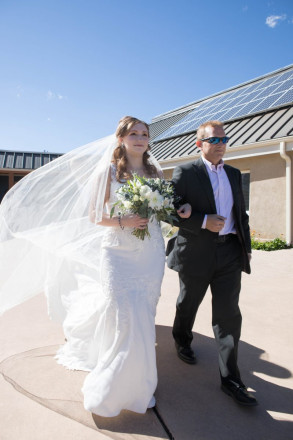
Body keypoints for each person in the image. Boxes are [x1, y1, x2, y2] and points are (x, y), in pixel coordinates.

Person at [0, 115, 190, 417]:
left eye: (144, 134)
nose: (140, 138)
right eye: (134, 134)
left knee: (145, 314)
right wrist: (123, 221)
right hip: (118, 253)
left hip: (150, 252)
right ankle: (113, 386)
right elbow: (93, 215)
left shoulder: (156, 170)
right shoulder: (108, 171)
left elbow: (163, 209)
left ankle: (141, 383)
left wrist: (178, 208)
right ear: (121, 139)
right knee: (125, 316)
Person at [167, 120, 257, 406]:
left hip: (229, 252)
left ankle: (231, 380)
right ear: (199, 143)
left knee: (229, 314)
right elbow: (169, 211)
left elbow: (239, 214)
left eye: (223, 139)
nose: (220, 145)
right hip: (196, 251)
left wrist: (247, 247)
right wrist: (204, 221)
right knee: (188, 303)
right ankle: (182, 338)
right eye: (213, 140)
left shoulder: (233, 173)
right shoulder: (186, 172)